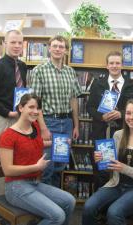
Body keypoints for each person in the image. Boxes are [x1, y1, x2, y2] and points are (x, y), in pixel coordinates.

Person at [0, 93, 76, 225]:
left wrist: (60, 143)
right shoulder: (7, 136)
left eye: (38, 108)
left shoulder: (34, 128)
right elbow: (8, 170)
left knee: (69, 201)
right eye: (31, 107)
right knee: (57, 216)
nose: (35, 111)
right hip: (15, 187)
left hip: (34, 183)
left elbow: (38, 143)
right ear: (21, 108)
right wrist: (36, 167)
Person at [82, 98, 133, 225]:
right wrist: (102, 162)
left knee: (114, 212)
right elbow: (112, 169)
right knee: (88, 206)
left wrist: (124, 168)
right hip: (116, 184)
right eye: (128, 113)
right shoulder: (118, 135)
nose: (131, 117)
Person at [30, 35, 82, 186]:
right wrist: (43, 128)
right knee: (46, 166)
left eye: (61, 46)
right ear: (49, 48)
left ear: (66, 50)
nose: (58, 49)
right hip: (48, 122)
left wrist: (76, 125)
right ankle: (45, 206)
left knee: (60, 166)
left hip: (66, 123)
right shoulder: (39, 71)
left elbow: (74, 99)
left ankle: (55, 202)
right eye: (55, 46)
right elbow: (35, 103)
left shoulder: (70, 72)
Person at [86, 51, 133, 189]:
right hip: (102, 133)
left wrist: (122, 114)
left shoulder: (132, 86)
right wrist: (101, 116)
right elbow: (90, 107)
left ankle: (118, 205)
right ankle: (100, 205)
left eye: (117, 63)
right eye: (112, 63)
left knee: (121, 168)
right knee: (102, 170)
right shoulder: (98, 84)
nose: (114, 66)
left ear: (122, 65)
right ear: (107, 66)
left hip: (124, 134)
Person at [0, 29, 27, 155]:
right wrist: (8, 113)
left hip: (19, 119)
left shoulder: (23, 66)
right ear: (5, 43)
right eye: (13, 42)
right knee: (0, 162)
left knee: (18, 158)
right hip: (2, 120)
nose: (17, 46)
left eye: (20, 43)